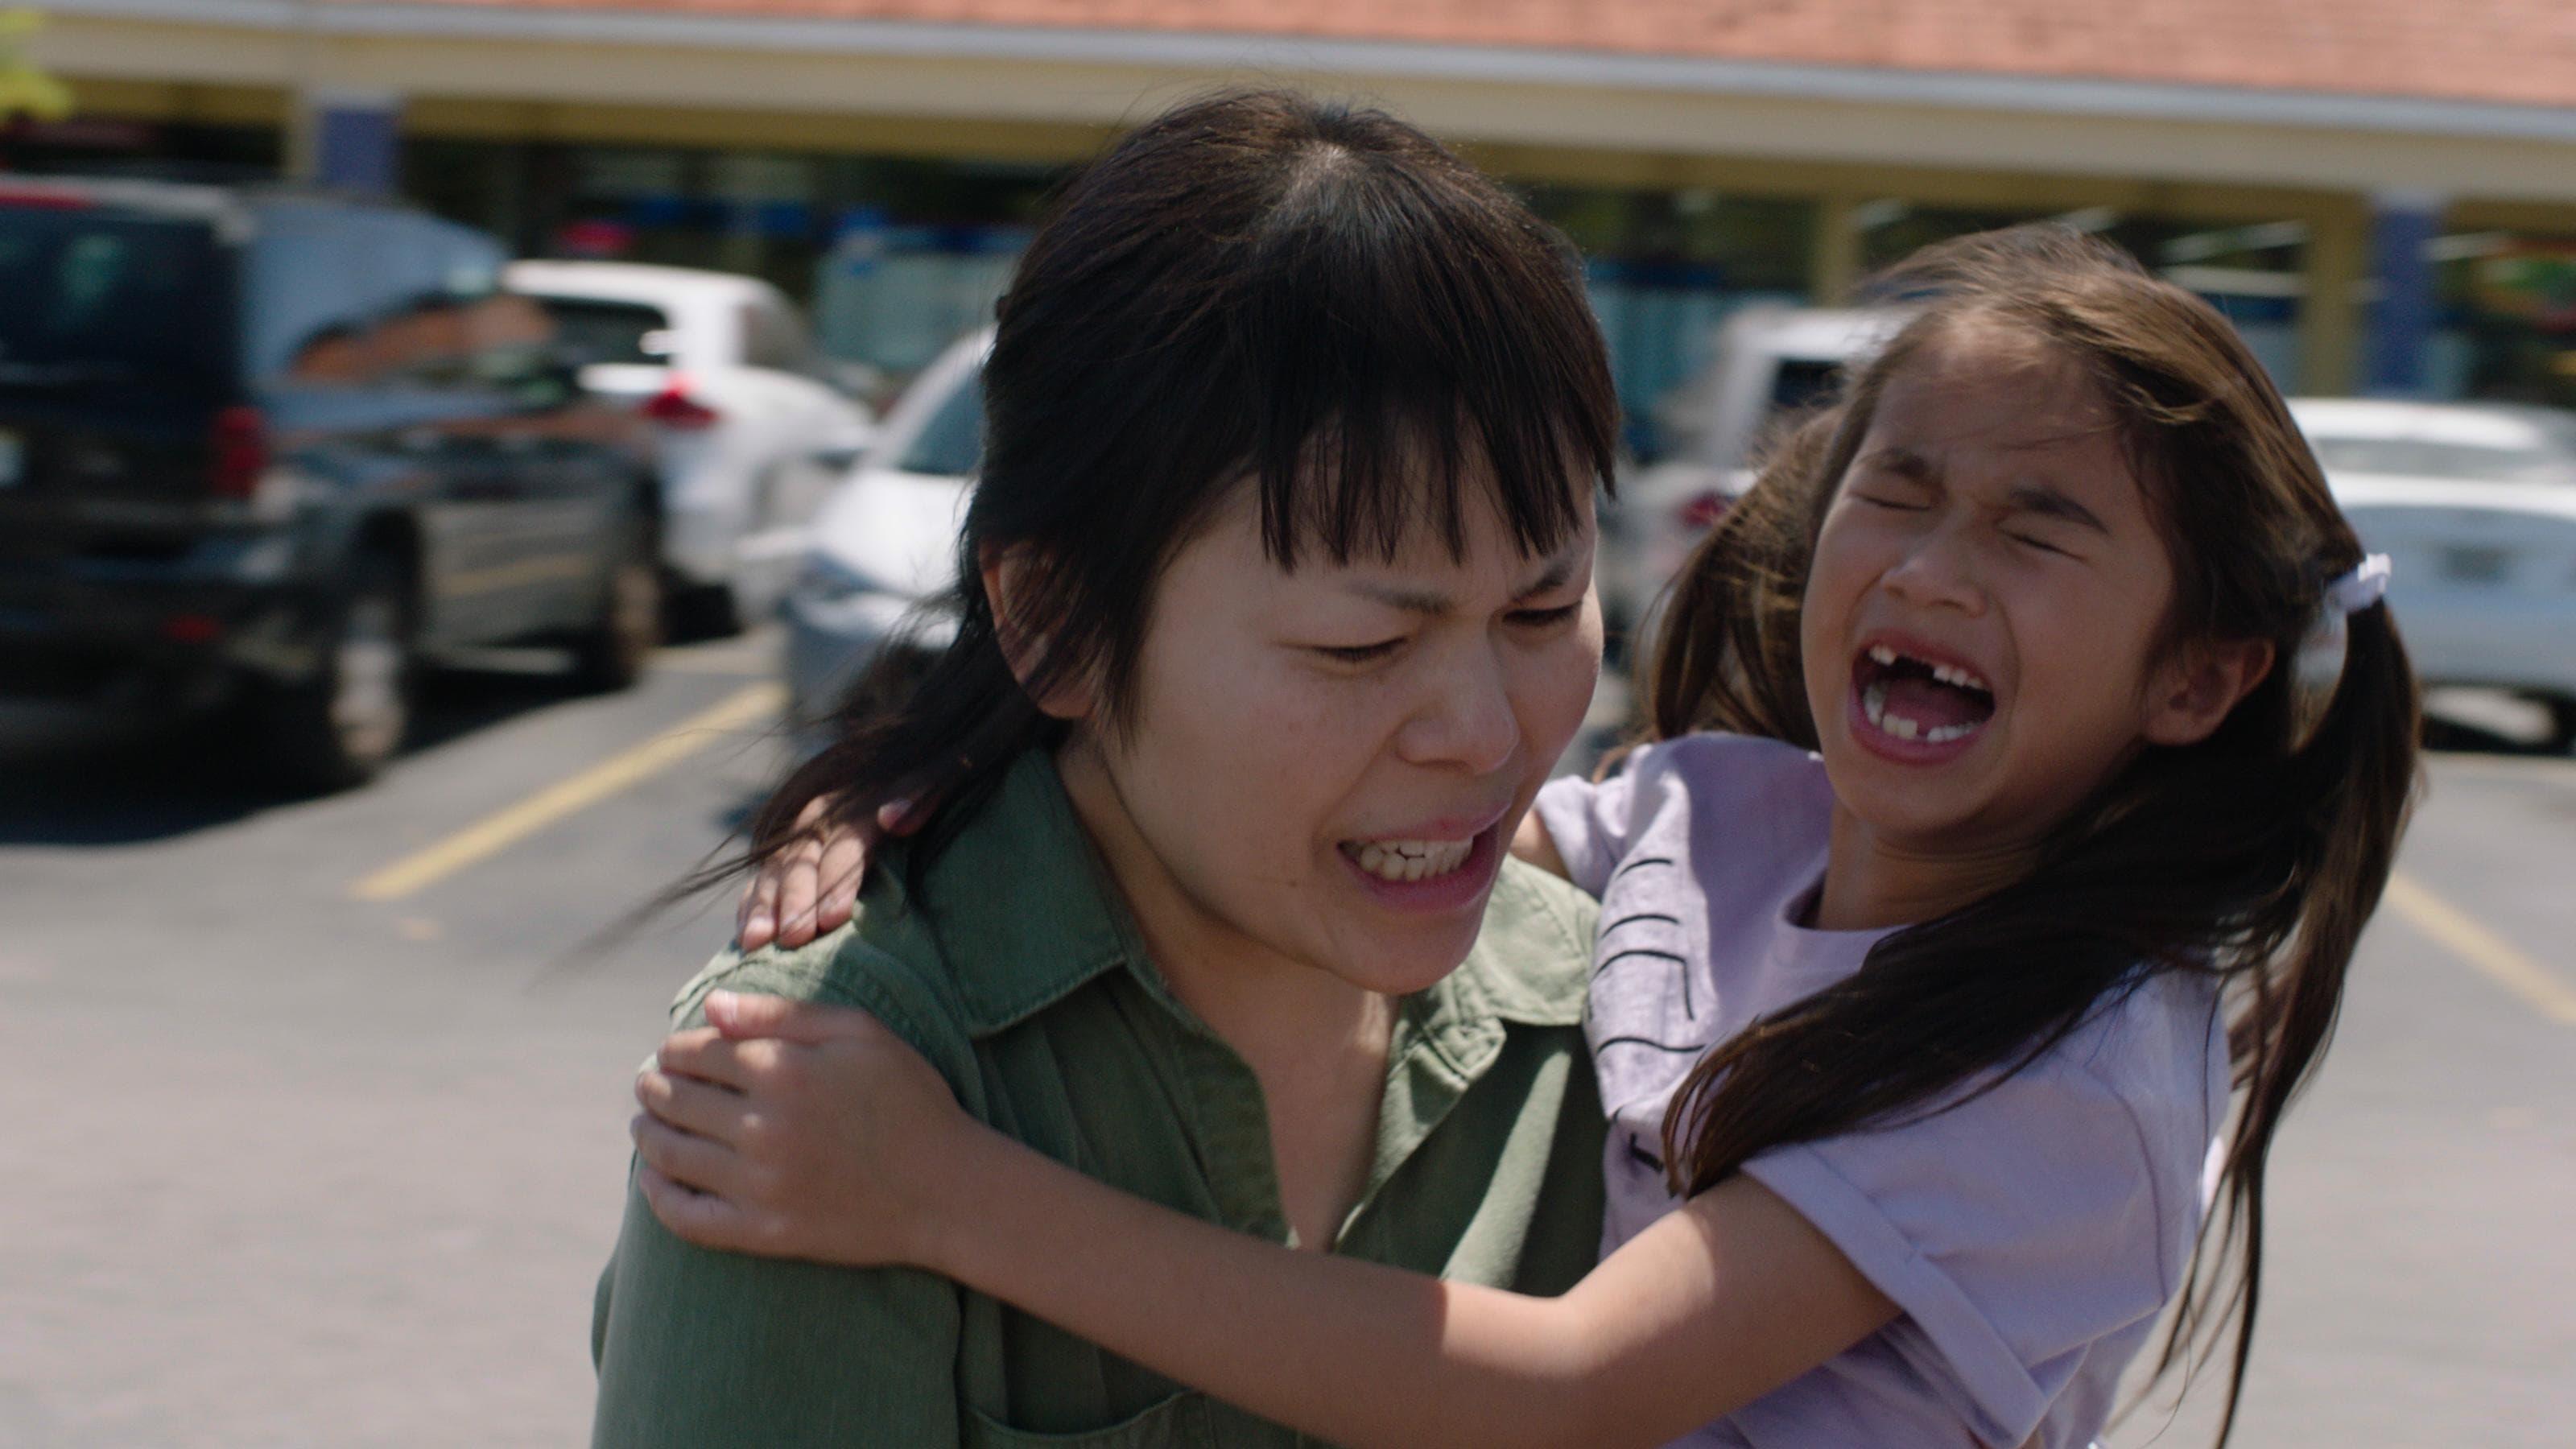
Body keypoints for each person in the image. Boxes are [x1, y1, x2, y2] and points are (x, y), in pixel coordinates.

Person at [635, 227, 2421, 1448]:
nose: (1935, 565)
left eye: (2041, 529)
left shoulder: (2079, 1068)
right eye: (1903, 484)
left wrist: (944, 1194)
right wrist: (914, 782)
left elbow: (1572, 1391)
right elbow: (1345, 821)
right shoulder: (1714, 820)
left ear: (2196, 675)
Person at [589, 90, 1629, 1446]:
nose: (1488, 735)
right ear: (1054, 625)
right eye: (1364, 644)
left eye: (1544, 615)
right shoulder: (825, 1085)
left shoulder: (1625, 1024)